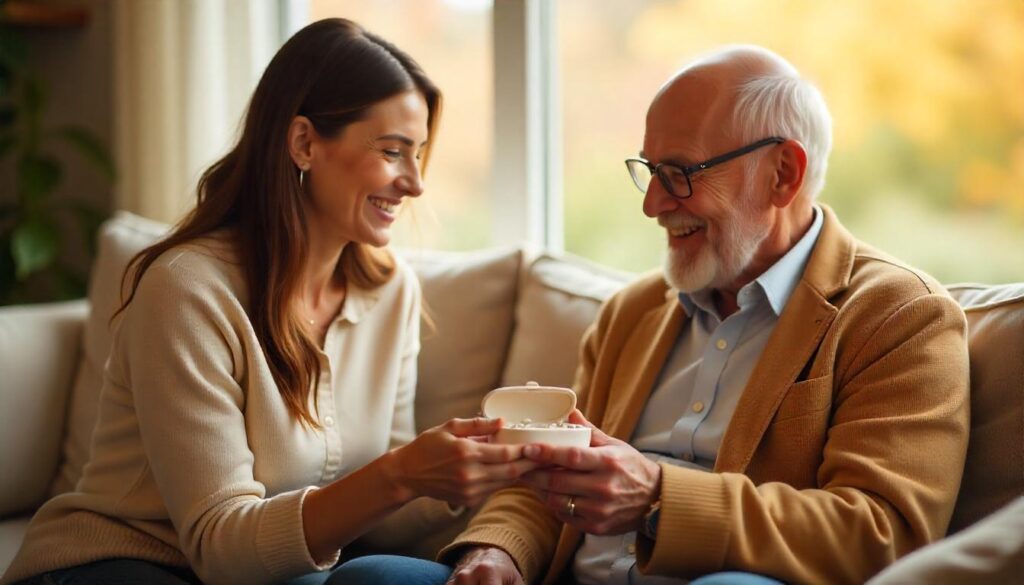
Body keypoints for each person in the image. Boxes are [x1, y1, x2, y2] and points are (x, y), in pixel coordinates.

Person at [339, 45, 972, 585]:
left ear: (782, 174)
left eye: (680, 173)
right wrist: (497, 549)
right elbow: (548, 477)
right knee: (366, 577)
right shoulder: (633, 312)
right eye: (649, 171)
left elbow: (885, 533)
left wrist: (658, 498)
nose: (653, 205)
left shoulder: (899, 317)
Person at [2, 18, 538, 585]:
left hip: (275, 568)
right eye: (392, 151)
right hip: (130, 561)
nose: (414, 183)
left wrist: (473, 464)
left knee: (395, 576)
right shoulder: (188, 289)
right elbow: (217, 544)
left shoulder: (390, 292)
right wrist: (401, 474)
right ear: (304, 143)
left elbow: (380, 517)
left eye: (419, 154)